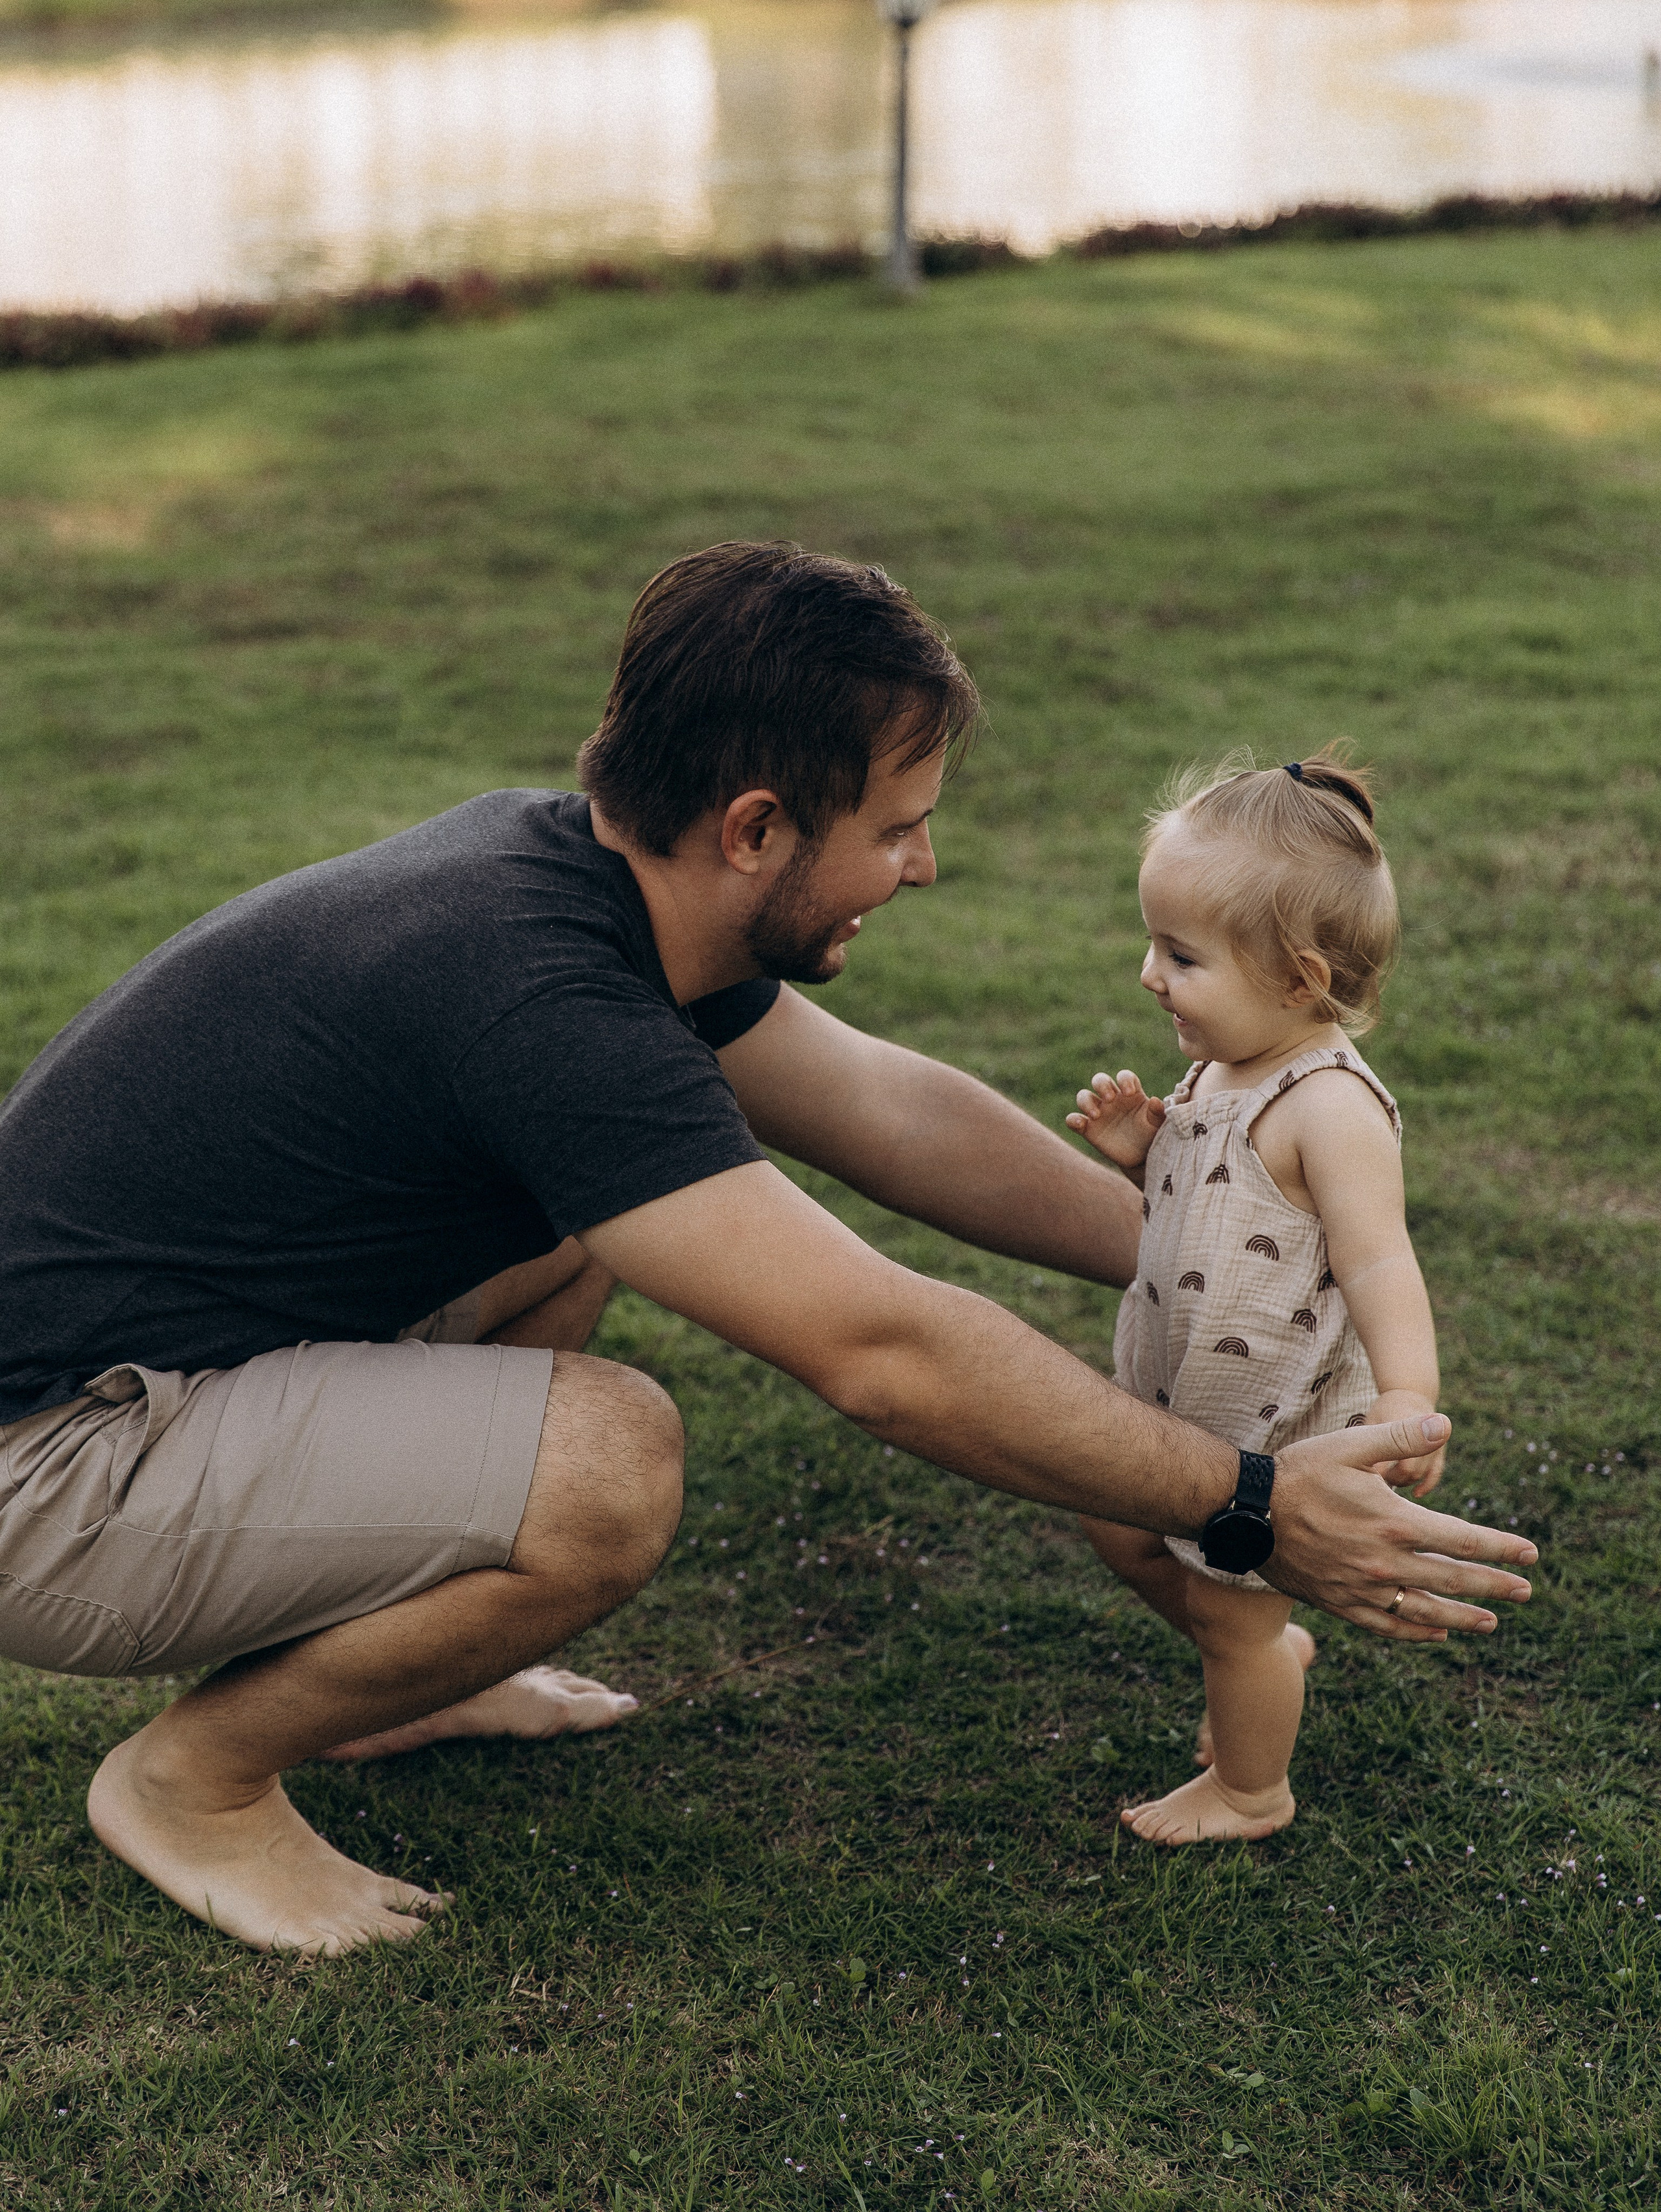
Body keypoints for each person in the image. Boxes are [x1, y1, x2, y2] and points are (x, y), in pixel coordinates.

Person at [0, 544, 1534, 1958]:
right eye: (897, 826)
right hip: (50, 1464)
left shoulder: (587, 883)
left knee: (556, 1246)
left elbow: (886, 1109)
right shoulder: (541, 1001)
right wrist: (1254, 1503)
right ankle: (192, 1780)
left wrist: (1226, 1242)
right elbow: (879, 1355)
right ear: (755, 830)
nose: (919, 867)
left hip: (158, 1370)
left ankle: (384, 1672)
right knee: (608, 1465)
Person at [1068, 746, 1440, 1845]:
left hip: (1271, 1425)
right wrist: (1149, 1152)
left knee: (1233, 1617)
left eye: (1181, 955)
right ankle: (1263, 1649)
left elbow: (1380, 1262)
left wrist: (1408, 1391)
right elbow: (1226, 1211)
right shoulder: (1223, 1068)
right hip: (1183, 1394)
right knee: (1113, 1516)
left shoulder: (1329, 1105)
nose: (1149, 974)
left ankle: (1250, 1786)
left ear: (1301, 982)